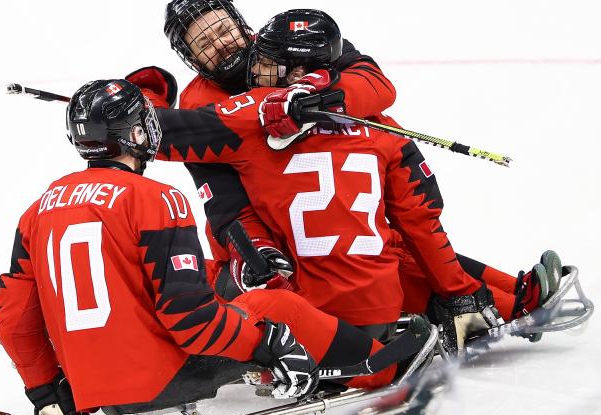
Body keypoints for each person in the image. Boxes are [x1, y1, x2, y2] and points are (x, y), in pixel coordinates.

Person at [0, 79, 425, 415]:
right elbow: (190, 319)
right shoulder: (155, 199)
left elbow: (14, 320)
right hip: (161, 379)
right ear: (141, 134)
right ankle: (385, 368)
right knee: (275, 308)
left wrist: (47, 393)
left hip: (89, 387)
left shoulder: (37, 212)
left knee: (198, 273)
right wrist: (267, 343)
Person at [128, 0, 398, 301]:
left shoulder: (293, 41)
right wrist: (255, 247)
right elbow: (223, 196)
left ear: (240, 23)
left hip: (349, 228)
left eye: (223, 29)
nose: (221, 44)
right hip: (272, 248)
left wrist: (311, 95)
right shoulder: (198, 103)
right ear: (190, 58)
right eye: (205, 42)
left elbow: (377, 84)